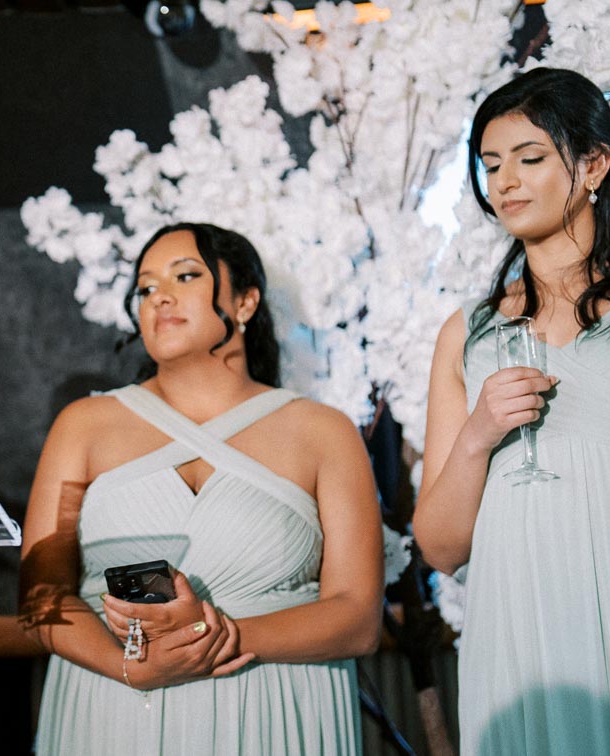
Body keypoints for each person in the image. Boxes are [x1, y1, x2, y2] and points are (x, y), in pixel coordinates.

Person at [413, 67, 610, 755]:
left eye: (530, 158)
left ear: (593, 164)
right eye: (491, 165)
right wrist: (476, 438)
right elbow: (442, 547)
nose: (506, 181)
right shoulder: (468, 333)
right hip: (521, 623)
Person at [20, 222, 383, 756]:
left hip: (273, 710)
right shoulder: (84, 425)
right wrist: (131, 668)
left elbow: (357, 617)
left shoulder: (324, 432)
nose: (159, 296)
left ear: (245, 302)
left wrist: (212, 637)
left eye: (185, 275)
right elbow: (39, 598)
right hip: (115, 708)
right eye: (145, 288)